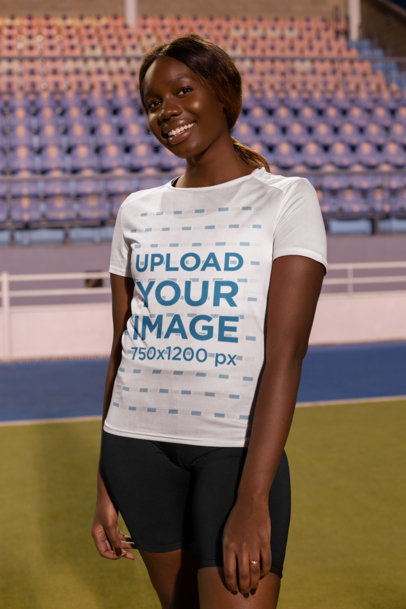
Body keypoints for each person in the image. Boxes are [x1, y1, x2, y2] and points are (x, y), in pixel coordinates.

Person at [92, 34, 327, 609]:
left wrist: (253, 499)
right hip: (135, 447)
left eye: (182, 90)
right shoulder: (136, 210)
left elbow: (286, 355)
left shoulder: (287, 199)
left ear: (223, 94)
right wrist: (105, 479)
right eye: (153, 103)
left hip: (233, 450)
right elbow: (123, 348)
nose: (167, 110)